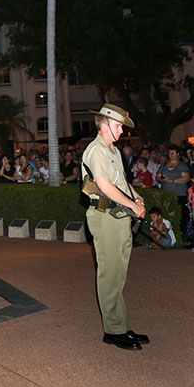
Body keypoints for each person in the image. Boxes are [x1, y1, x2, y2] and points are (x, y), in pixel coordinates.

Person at [81, 104, 148, 351]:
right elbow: (106, 186)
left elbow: (122, 181)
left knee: (118, 272)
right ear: (105, 123)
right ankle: (113, 330)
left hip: (118, 216)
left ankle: (121, 324)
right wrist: (133, 204)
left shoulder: (112, 151)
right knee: (110, 273)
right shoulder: (96, 150)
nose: (122, 131)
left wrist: (137, 198)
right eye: (119, 126)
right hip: (105, 216)